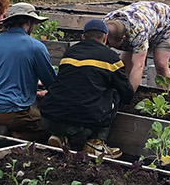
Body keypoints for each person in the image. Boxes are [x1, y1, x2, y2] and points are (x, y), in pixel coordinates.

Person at [39, 18, 136, 158]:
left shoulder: (69, 52)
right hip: (88, 120)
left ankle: (59, 136)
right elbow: (126, 93)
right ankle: (95, 142)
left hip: (50, 117)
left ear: (83, 37)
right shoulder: (111, 58)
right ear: (105, 38)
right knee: (114, 94)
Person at [0, 2, 58, 136]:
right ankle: (13, 135)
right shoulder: (35, 46)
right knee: (51, 127)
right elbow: (52, 83)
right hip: (12, 112)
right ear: (28, 22)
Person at [103, 1, 170, 88]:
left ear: (123, 38)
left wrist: (129, 96)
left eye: (109, 43)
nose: (108, 46)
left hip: (164, 22)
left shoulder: (138, 33)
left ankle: (165, 94)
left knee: (161, 65)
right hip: (143, 18)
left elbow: (139, 65)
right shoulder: (105, 24)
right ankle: (121, 90)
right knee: (124, 65)